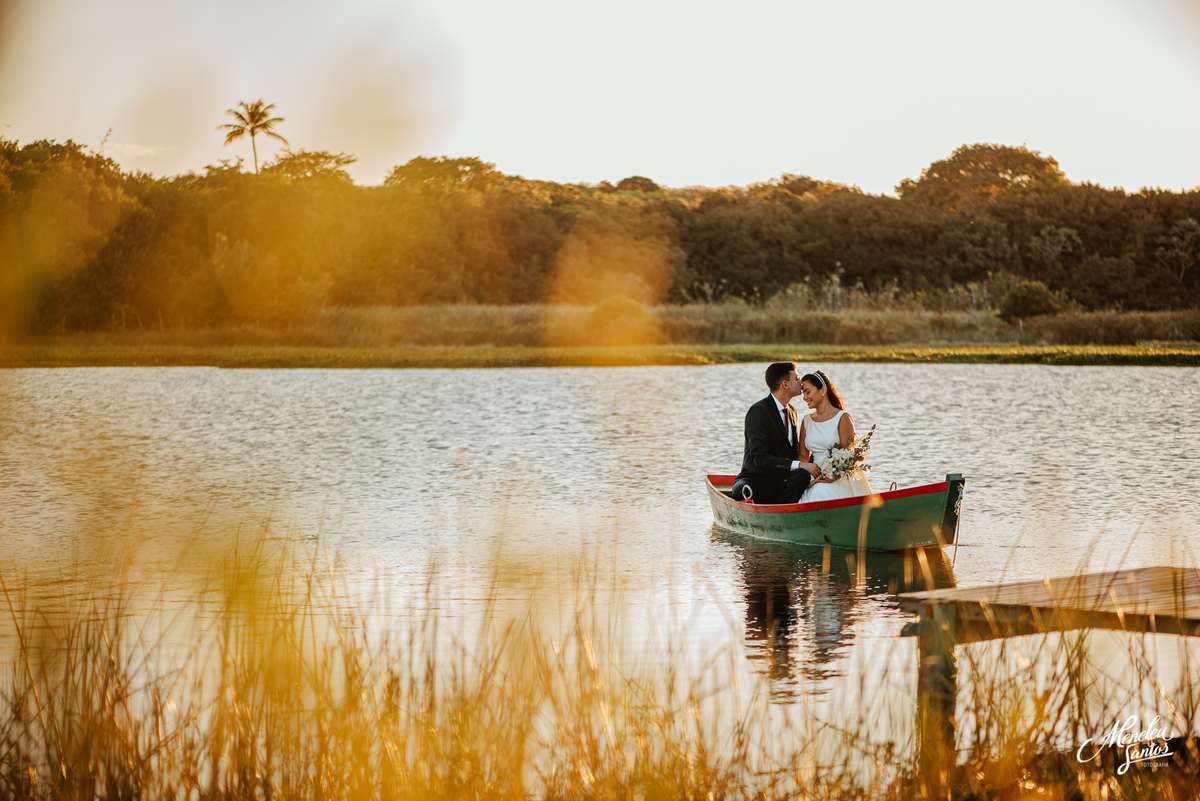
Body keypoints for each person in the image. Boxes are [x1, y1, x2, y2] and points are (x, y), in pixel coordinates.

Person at [732, 363, 821, 504]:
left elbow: (792, 451)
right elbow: (759, 458)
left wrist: (825, 465)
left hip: (782, 482)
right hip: (757, 480)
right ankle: (774, 512)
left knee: (802, 475)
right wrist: (799, 465)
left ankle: (782, 511)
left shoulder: (791, 411)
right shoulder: (758, 411)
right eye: (797, 378)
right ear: (785, 384)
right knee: (742, 490)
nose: (801, 382)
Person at [797, 369, 872, 503]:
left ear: (823, 390)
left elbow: (849, 455)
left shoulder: (842, 418)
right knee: (800, 490)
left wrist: (834, 474)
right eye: (803, 393)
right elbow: (803, 457)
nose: (804, 398)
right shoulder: (806, 421)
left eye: (808, 392)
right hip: (813, 475)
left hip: (839, 477)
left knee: (819, 491)